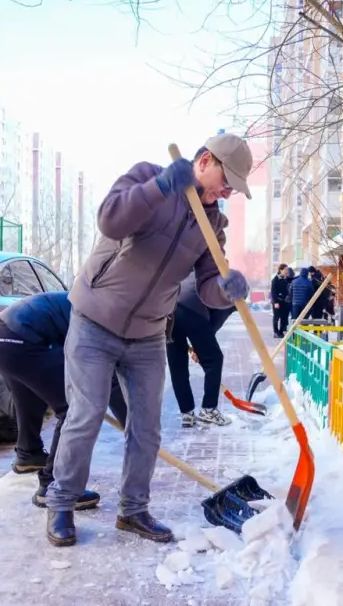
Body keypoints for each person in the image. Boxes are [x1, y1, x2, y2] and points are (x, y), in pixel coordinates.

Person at [45, 134, 254, 548]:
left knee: (147, 427)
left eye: (234, 187)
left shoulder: (212, 225)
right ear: (205, 161)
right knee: (86, 414)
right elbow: (110, 220)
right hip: (94, 320)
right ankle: (62, 502)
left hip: (147, 334)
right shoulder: (148, 177)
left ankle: (133, 510)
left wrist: (226, 289)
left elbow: (207, 285)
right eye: (227, 181)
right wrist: (160, 188)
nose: (228, 192)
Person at [0, 291, 128, 510]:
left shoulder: (92, 301)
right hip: (22, 342)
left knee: (30, 399)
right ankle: (53, 485)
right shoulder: (105, 320)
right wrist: (133, 427)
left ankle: (28, 454)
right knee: (72, 409)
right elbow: (111, 380)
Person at [167, 273, 236, 428]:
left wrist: (198, 347)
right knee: (214, 359)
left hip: (168, 311)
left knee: (177, 365)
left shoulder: (197, 272)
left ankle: (187, 414)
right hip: (192, 310)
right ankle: (209, 410)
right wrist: (200, 349)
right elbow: (212, 324)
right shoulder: (230, 297)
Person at [270, 264, 290, 338]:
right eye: (285, 269)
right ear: (280, 270)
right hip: (277, 302)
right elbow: (273, 292)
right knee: (276, 317)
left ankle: (281, 332)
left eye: (287, 270)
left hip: (284, 302)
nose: (287, 271)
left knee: (284, 317)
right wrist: (275, 302)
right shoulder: (275, 279)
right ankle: (275, 332)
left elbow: (292, 278)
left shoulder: (285, 279)